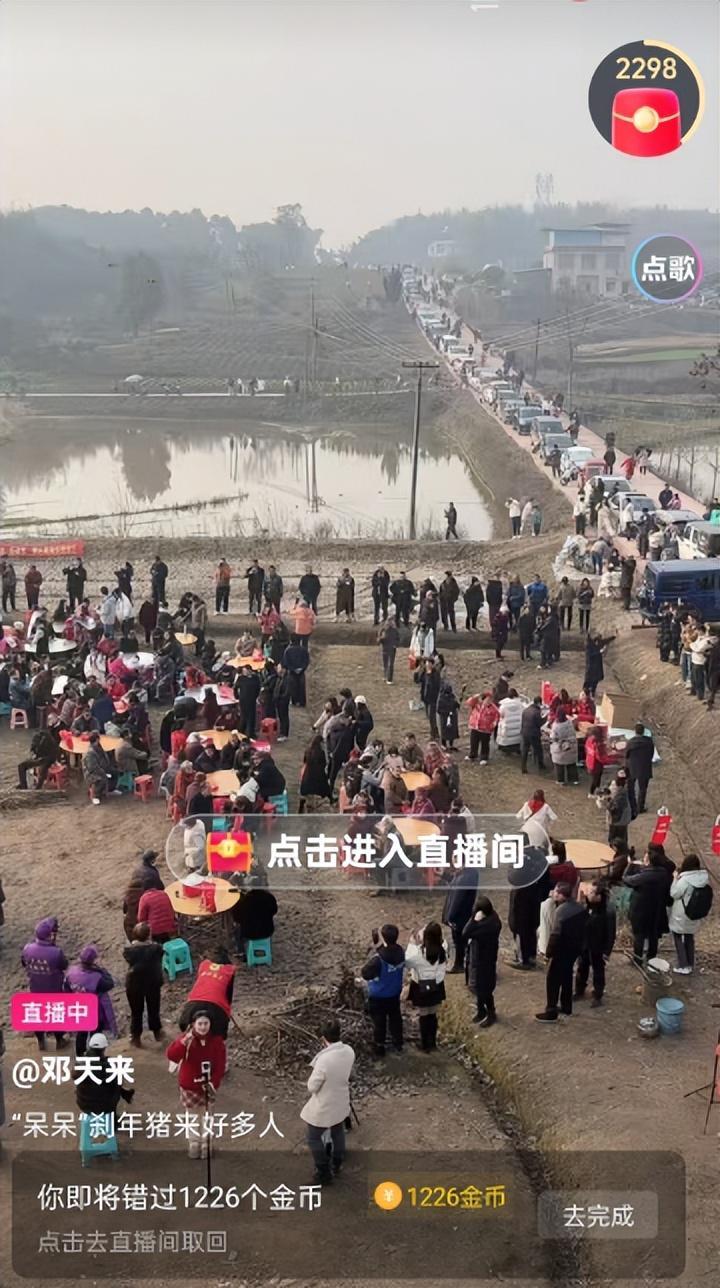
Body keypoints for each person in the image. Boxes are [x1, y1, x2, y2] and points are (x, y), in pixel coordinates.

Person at [300, 1020, 355, 1185]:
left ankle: (323, 1171)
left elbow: (312, 1086)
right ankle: (337, 1163)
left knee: (313, 1137)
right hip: (341, 1099)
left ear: (323, 1038)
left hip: (325, 1104)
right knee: (338, 1131)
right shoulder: (349, 1051)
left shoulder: (324, 1060)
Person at [166, 1014, 227, 1158]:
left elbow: (220, 1065)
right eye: (200, 1023)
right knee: (192, 1115)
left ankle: (206, 1143)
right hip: (190, 1084)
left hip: (208, 1085)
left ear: (210, 1024)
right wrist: (183, 1043)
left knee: (207, 1115)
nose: (203, 1027)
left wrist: (214, 1082)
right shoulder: (186, 1039)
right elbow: (172, 1055)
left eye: (206, 1023)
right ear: (193, 1024)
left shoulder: (217, 1041)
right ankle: (194, 1143)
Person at [535, 883, 588, 1022]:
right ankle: (566, 1006)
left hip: (561, 950)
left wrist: (548, 953)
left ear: (562, 895)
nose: (553, 893)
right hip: (574, 949)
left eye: (556, 892)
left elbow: (555, 935)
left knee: (552, 980)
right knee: (567, 977)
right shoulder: (580, 908)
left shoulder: (561, 911)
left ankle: (551, 1010)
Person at [21, 918, 69, 1050]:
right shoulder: (56, 952)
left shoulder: (27, 949)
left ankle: (41, 1041)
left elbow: (24, 963)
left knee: (38, 1014)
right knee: (55, 1014)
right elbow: (64, 965)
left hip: (36, 986)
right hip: (54, 988)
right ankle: (59, 1040)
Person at [623, 845, 673, 964]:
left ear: (649, 861)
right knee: (653, 934)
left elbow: (626, 879)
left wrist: (630, 865)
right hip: (657, 908)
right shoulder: (664, 874)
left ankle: (637, 959)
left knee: (639, 935)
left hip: (640, 910)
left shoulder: (644, 876)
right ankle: (652, 957)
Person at [361, 924, 405, 1058]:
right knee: (395, 1018)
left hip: (378, 996)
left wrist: (374, 950)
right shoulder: (400, 952)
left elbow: (365, 973)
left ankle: (379, 1047)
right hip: (394, 993)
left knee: (379, 1022)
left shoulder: (378, 959)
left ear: (384, 939)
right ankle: (398, 1042)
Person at [74, 1032, 135, 1128]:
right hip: (103, 1106)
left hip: (83, 1104)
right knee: (115, 1086)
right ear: (104, 1048)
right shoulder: (108, 1066)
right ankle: (113, 1121)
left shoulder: (80, 1063)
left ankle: (123, 1095)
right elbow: (113, 1085)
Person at [66, 944, 117, 1055]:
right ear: (93, 961)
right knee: (96, 1035)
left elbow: (66, 989)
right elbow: (110, 983)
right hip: (95, 1012)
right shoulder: (97, 977)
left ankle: (80, 1056)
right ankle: (95, 1056)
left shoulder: (71, 972)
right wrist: (101, 970)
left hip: (79, 1009)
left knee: (81, 1034)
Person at [405, 923, 447, 1052]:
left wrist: (412, 944)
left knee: (423, 1015)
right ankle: (432, 1042)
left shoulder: (418, 953)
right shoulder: (443, 949)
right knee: (432, 1014)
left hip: (421, 986)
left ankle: (424, 1045)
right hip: (437, 985)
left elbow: (408, 961)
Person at [574, 881, 616, 1006]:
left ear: (599, 896)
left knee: (598, 971)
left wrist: (607, 952)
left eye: (592, 892)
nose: (588, 894)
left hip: (598, 947)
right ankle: (579, 990)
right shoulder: (587, 906)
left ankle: (598, 995)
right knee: (582, 968)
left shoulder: (607, 911)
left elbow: (611, 934)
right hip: (585, 945)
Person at [668, 855, 712, 974]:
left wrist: (675, 879)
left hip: (682, 914)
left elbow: (674, 893)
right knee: (689, 937)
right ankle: (690, 964)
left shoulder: (685, 880)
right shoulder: (703, 878)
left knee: (678, 936)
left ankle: (683, 965)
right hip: (694, 913)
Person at [123, 922, 165, 1047]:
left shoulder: (129, 951)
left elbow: (128, 956)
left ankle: (135, 1036)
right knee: (154, 1008)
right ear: (148, 935)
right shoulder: (156, 948)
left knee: (136, 1012)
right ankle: (157, 1032)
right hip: (152, 983)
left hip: (134, 984)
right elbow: (160, 952)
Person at [464, 896, 502, 1026]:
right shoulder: (493, 918)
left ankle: (491, 1013)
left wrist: (473, 920)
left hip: (484, 960)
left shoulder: (487, 926)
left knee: (485, 989)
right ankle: (481, 1010)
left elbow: (465, 932)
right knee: (480, 987)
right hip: (483, 958)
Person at [230, 878, 278, 957]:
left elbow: (236, 918)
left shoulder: (244, 900)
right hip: (267, 931)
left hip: (249, 933)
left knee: (237, 931)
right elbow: (274, 911)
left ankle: (241, 951)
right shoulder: (269, 897)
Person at [624, 723, 655, 817]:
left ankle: (631, 805)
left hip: (632, 767)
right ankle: (640, 807)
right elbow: (651, 754)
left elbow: (626, 755)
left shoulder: (630, 742)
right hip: (645, 767)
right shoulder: (649, 741)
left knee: (630, 787)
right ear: (643, 731)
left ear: (635, 731)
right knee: (643, 789)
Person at [16, 724, 59, 791]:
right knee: (23, 765)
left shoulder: (46, 739)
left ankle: (32, 787)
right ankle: (26, 786)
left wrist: (36, 756)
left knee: (41, 768)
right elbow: (33, 750)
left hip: (46, 759)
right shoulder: (44, 737)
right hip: (45, 758)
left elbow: (37, 752)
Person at [83, 732, 117, 804]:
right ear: (97, 739)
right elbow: (92, 767)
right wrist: (103, 773)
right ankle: (96, 796)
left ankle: (111, 789)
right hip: (91, 772)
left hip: (101, 768)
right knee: (101, 779)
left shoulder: (98, 747)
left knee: (114, 772)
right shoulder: (90, 752)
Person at [465, 691, 499, 764]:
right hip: (475, 727)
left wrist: (492, 725)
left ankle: (484, 757)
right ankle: (472, 755)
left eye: (490, 699)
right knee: (473, 742)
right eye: (488, 699)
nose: (489, 701)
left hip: (486, 729)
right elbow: (469, 702)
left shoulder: (493, 708)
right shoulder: (477, 704)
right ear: (483, 699)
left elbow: (497, 716)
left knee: (485, 744)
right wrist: (476, 696)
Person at [549, 709, 578, 785]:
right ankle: (574, 779)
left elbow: (553, 737)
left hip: (560, 748)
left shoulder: (556, 725)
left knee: (559, 765)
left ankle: (560, 780)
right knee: (571, 764)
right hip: (571, 746)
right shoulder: (569, 723)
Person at [583, 633, 614, 698]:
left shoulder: (598, 642)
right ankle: (586, 693)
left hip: (597, 666)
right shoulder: (588, 644)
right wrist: (600, 652)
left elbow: (605, 641)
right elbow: (590, 655)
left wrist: (613, 637)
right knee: (589, 681)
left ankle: (592, 692)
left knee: (595, 680)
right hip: (591, 666)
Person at [282, 635, 309, 707]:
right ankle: (302, 702)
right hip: (301, 671)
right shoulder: (303, 650)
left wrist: (292, 669)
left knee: (293, 687)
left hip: (292, 672)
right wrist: (302, 668)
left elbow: (285, 663)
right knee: (301, 687)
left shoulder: (287, 650)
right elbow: (306, 661)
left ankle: (294, 701)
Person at [520, 696, 545, 774]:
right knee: (538, 749)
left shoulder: (526, 710)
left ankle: (523, 767)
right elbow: (539, 723)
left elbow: (522, 722)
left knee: (525, 749)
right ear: (539, 703)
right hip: (534, 734)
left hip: (525, 732)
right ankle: (540, 764)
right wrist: (546, 718)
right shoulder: (536, 712)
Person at [419, 659, 441, 740]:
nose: (427, 665)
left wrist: (429, 675)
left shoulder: (435, 673)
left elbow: (435, 685)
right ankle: (435, 733)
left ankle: (434, 734)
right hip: (426, 698)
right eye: (426, 664)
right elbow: (419, 680)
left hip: (433, 699)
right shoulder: (424, 672)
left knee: (432, 717)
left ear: (432, 664)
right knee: (429, 716)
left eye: (429, 664)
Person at [378, 617, 399, 685]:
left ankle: (390, 679)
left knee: (391, 664)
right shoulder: (383, 630)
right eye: (389, 621)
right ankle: (385, 676)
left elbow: (398, 639)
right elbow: (378, 641)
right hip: (385, 649)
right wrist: (381, 638)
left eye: (391, 621)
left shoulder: (395, 630)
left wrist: (395, 645)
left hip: (392, 649)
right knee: (385, 663)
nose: (390, 623)